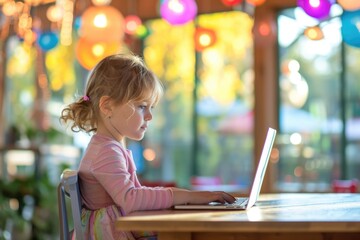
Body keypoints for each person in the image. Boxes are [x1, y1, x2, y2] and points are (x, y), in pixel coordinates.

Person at [60, 53, 235, 240]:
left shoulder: (108, 147)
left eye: (151, 107)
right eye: (142, 106)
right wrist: (188, 196)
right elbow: (130, 199)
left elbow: (133, 196)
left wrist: (189, 197)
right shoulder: (106, 152)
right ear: (107, 106)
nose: (149, 116)